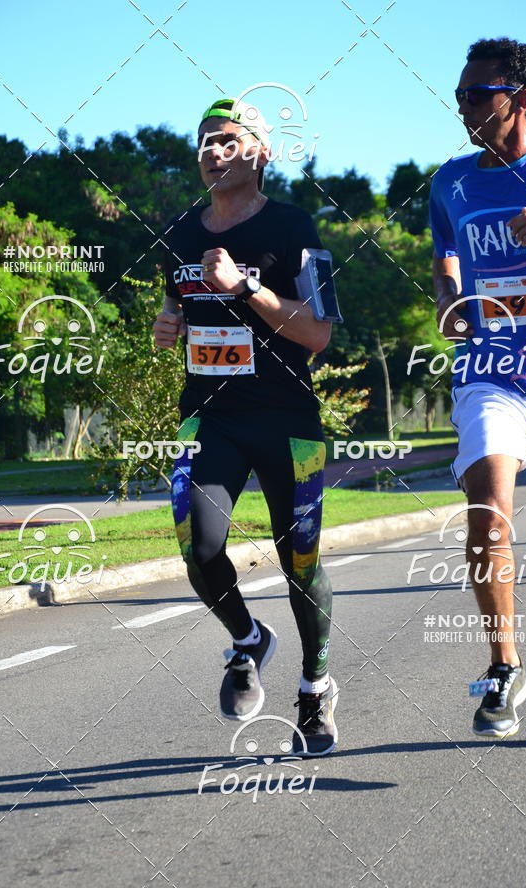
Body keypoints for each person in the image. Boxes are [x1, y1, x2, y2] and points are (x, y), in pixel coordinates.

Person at [153, 98, 339, 756]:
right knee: (198, 546)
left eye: (225, 141)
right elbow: (176, 305)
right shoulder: (180, 231)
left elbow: (317, 333)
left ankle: (315, 689)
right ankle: (246, 639)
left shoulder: (294, 227)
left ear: (259, 153)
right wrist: (167, 326)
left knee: (301, 561)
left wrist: (246, 290)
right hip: (209, 416)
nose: (209, 151)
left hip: (289, 419)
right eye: (203, 141)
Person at [430, 37, 526, 743]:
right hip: (488, 374)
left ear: (522, 98)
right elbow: (445, 259)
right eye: (458, 95)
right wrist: (449, 297)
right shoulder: (450, 182)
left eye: (477, 95)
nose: (464, 107)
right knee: (488, 509)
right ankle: (503, 667)